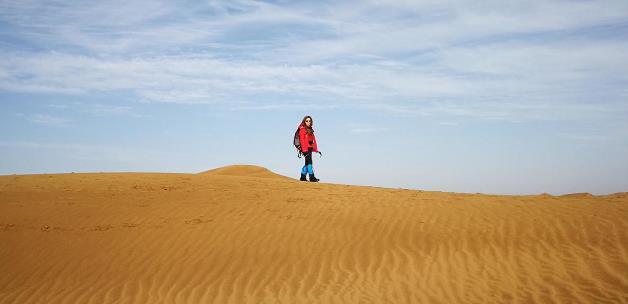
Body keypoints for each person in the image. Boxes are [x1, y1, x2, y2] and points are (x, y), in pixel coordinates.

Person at [298, 115, 321, 182]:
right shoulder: (302, 130)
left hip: (310, 148)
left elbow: (313, 140)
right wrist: (304, 150)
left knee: (307, 163)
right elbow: (302, 140)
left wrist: (315, 149)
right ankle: (312, 177)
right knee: (310, 162)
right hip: (305, 149)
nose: (308, 122)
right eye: (307, 121)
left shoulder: (311, 130)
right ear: (304, 121)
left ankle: (302, 177)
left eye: (309, 121)